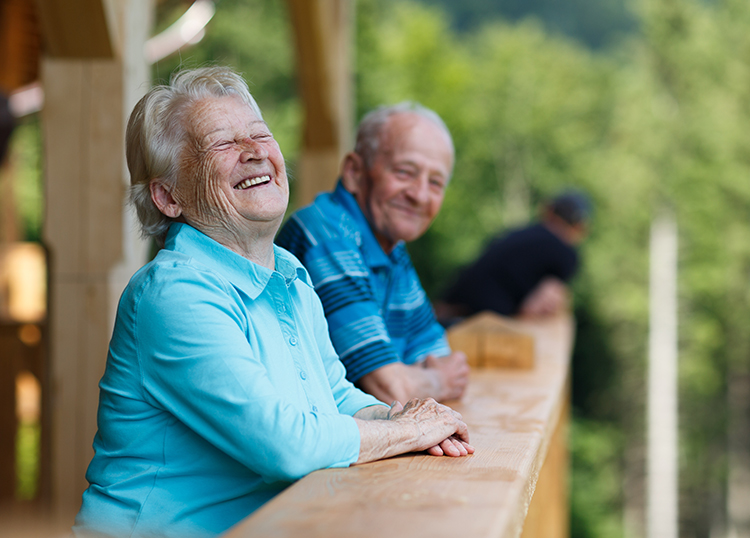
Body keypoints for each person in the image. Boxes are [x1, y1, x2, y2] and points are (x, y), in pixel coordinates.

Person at [72, 67, 473, 538]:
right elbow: (284, 444)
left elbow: (335, 395)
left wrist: (414, 420)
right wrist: (407, 432)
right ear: (168, 196)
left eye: (261, 135)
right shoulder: (173, 293)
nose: (256, 151)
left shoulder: (290, 274)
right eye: (222, 144)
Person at [275, 103, 469, 405]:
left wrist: (412, 376)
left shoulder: (390, 246)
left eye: (435, 183)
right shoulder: (327, 233)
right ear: (354, 171)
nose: (419, 195)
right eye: (405, 172)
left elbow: (435, 351)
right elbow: (389, 389)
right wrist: (434, 381)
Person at [437, 190, 591, 320]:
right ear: (580, 227)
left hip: (447, 309)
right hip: (485, 321)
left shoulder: (516, 233)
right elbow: (535, 308)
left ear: (548, 210)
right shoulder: (566, 253)